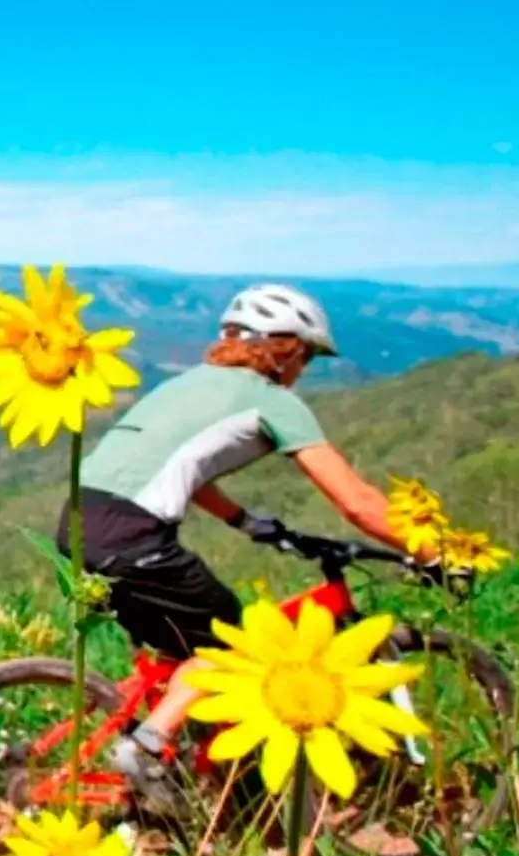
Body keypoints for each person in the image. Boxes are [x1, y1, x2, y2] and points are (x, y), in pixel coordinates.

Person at [62, 284, 406, 813]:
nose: (304, 369)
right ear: (283, 349)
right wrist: (430, 551)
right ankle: (146, 747)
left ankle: (171, 765)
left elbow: (184, 468)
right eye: (307, 355)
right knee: (236, 644)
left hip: (80, 520)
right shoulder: (272, 401)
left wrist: (247, 522)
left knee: (182, 652)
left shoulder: (191, 384)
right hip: (132, 534)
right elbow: (358, 502)